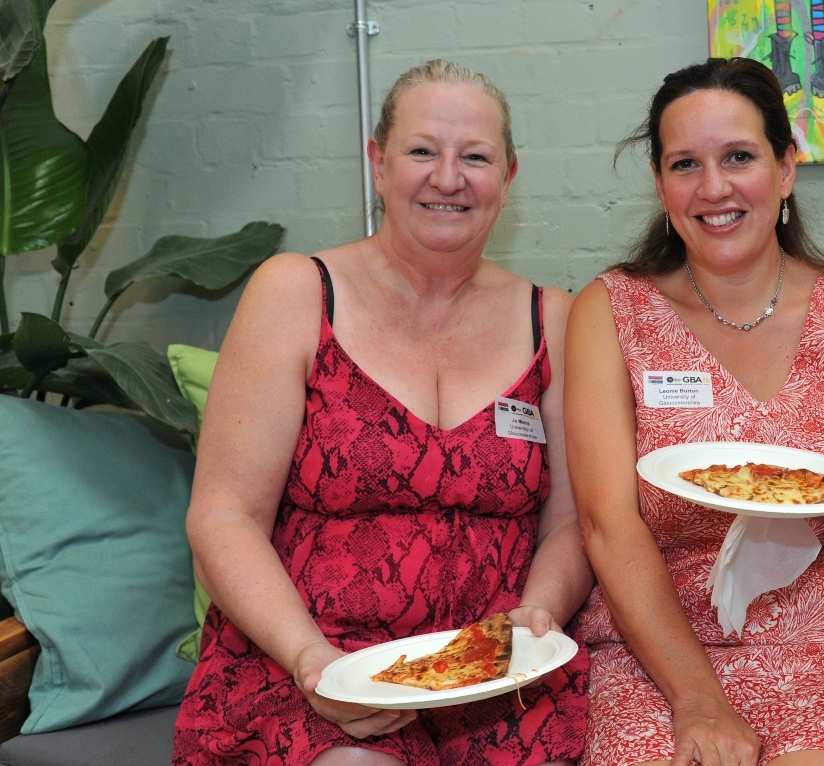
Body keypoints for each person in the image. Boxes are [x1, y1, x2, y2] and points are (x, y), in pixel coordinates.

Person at [173, 60, 591, 766]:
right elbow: (224, 517)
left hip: (497, 669)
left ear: (509, 177)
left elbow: (575, 521)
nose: (448, 178)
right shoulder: (295, 294)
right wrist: (313, 663)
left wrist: (537, 618)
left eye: (476, 157)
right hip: (312, 660)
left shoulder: (553, 318)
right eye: (422, 150)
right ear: (378, 162)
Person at [564, 58, 824, 766]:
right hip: (657, 656)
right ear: (660, 183)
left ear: (786, 168)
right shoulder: (612, 312)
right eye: (686, 164)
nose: (714, 187)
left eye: (739, 157)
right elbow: (607, 527)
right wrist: (698, 700)